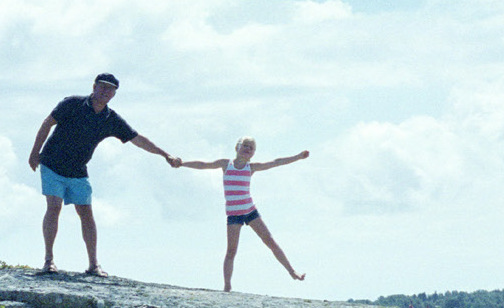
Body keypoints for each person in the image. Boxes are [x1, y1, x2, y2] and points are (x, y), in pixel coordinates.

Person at [27, 73, 180, 276]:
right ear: (94, 87)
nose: (104, 91)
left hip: (78, 170)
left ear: (114, 94)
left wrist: (165, 154)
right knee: (54, 207)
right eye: (102, 87)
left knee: (86, 214)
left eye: (110, 89)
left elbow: (137, 138)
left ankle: (93, 265)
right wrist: (34, 152)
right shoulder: (72, 103)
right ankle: (49, 261)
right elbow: (48, 123)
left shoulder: (110, 118)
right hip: (52, 163)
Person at [179, 137, 308, 291]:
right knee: (231, 250)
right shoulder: (226, 164)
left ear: (253, 153)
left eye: (251, 148)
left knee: (270, 241)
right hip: (234, 214)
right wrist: (182, 164)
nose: (248, 149)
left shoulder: (251, 168)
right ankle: (227, 286)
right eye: (245, 146)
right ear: (237, 147)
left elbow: (276, 162)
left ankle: (292, 271)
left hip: (250, 211)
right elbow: (204, 165)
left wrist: (298, 157)